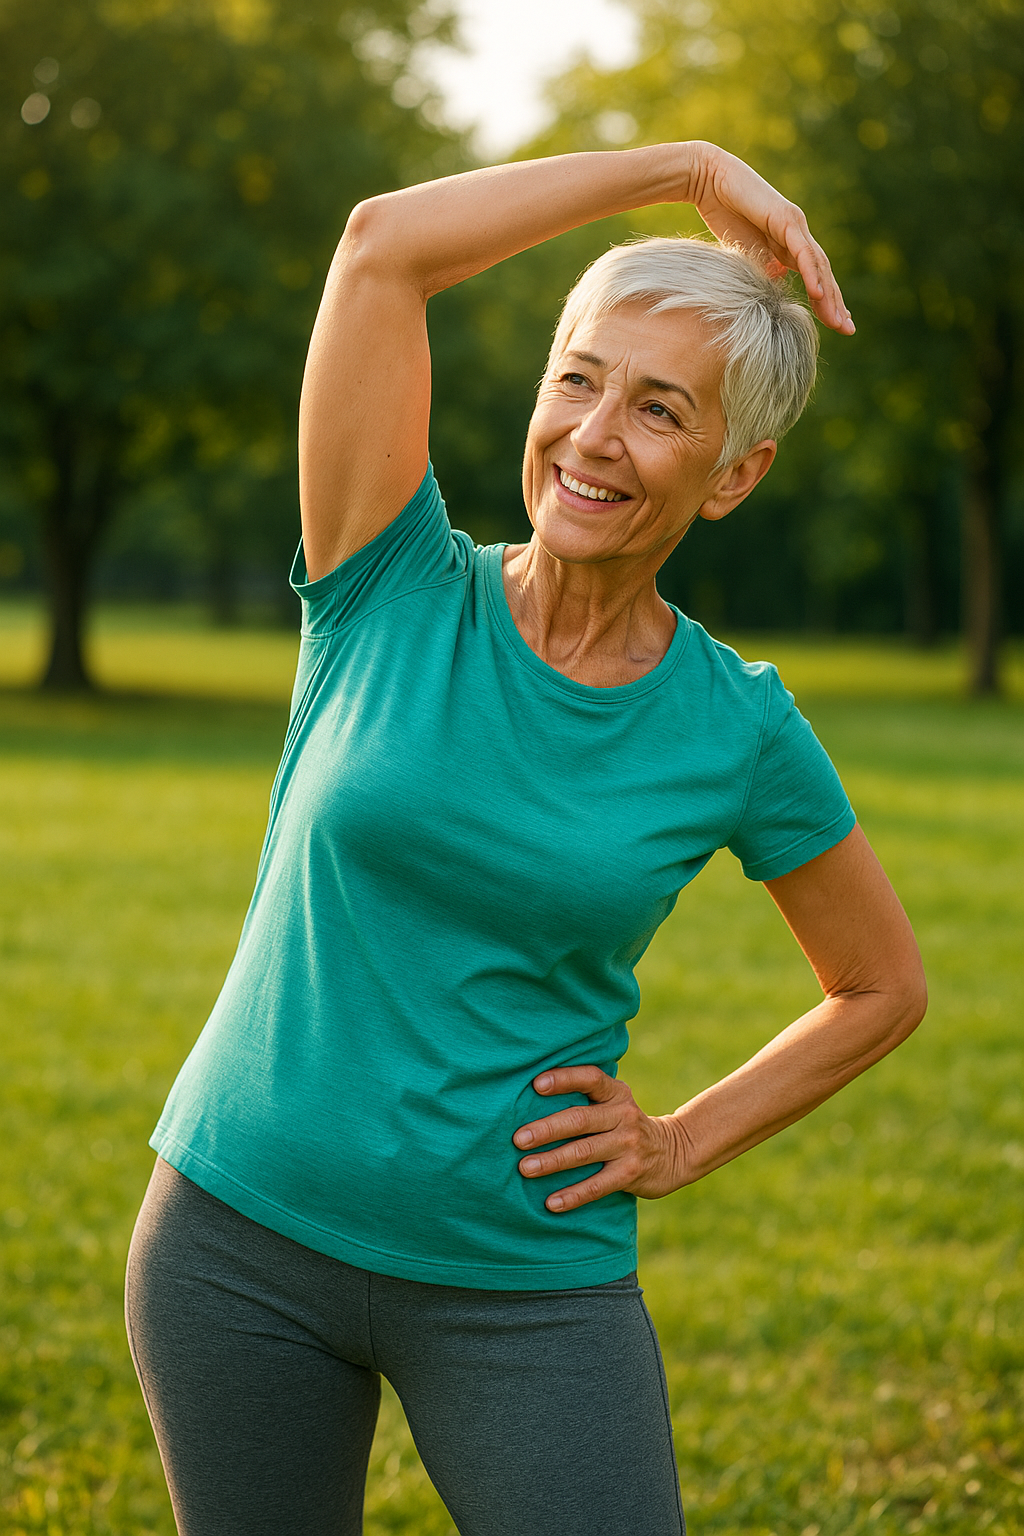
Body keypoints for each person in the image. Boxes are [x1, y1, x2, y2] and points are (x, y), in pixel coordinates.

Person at [125, 139, 927, 1536]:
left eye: (660, 409)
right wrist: (679, 168)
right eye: (578, 379)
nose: (594, 437)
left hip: (522, 1281)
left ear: (733, 475)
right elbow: (382, 245)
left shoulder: (735, 726)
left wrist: (680, 1140)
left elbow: (881, 988)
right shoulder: (388, 577)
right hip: (233, 1243)